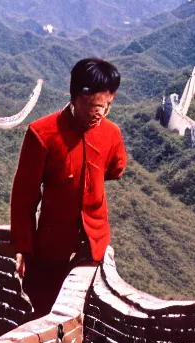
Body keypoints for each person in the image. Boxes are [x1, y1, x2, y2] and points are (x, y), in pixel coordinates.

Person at [10, 58, 127, 315]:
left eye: (106, 106)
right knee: (43, 313)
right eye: (94, 107)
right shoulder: (42, 134)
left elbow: (116, 169)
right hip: (51, 248)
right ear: (76, 97)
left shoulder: (111, 133)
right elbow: (24, 198)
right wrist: (23, 248)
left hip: (94, 243)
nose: (100, 113)